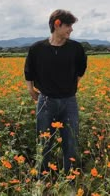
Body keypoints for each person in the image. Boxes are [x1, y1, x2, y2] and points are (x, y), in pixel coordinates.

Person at [24, 9, 87, 175]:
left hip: (69, 101)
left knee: (71, 143)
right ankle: (42, 180)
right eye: (68, 25)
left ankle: (70, 181)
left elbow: (81, 71)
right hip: (46, 101)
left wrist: (69, 88)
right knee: (44, 142)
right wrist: (32, 91)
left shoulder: (76, 48)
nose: (71, 30)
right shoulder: (37, 49)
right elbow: (29, 72)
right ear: (57, 24)